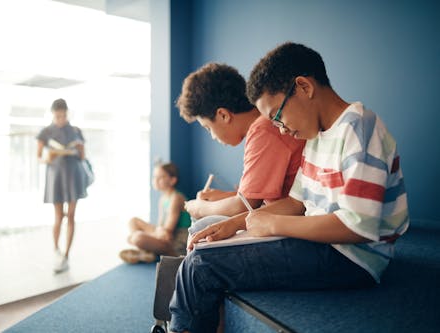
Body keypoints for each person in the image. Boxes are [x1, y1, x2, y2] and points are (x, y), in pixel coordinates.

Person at [168, 42, 409, 333]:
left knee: (201, 266)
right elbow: (297, 202)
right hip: (323, 245)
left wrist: (273, 225)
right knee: (207, 244)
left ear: (304, 87)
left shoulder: (360, 127)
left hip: (352, 258)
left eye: (278, 116)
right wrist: (235, 223)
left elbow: (358, 227)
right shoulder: (317, 138)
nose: (281, 129)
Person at [176, 63, 305, 228]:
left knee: (202, 226)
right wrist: (227, 197)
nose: (213, 136)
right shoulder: (263, 125)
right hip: (284, 215)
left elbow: (243, 206)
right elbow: (254, 198)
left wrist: (200, 208)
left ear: (223, 115)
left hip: (292, 223)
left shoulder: (263, 130)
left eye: (208, 128)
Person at [36, 98, 88, 274]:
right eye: (58, 116)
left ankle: (66, 255)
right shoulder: (45, 132)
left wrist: (79, 148)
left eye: (63, 115)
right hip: (56, 176)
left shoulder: (75, 131)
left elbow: (82, 157)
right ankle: (56, 249)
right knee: (58, 216)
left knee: (71, 216)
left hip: (74, 176)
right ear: (52, 114)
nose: (61, 119)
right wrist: (47, 158)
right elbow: (38, 157)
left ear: (67, 113)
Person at [119, 162, 191, 264]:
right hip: (165, 234)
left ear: (172, 180)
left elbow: (168, 230)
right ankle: (147, 252)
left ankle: (147, 251)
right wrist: (157, 231)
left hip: (176, 239)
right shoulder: (163, 198)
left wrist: (156, 233)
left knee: (137, 238)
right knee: (133, 221)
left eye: (160, 177)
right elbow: (160, 225)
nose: (156, 180)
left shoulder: (176, 197)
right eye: (154, 177)